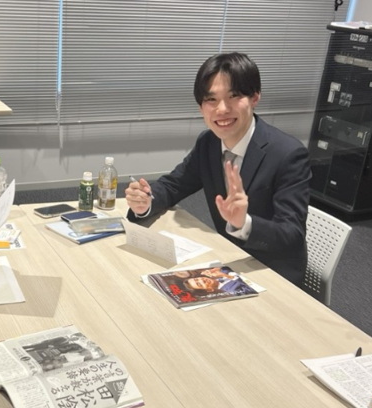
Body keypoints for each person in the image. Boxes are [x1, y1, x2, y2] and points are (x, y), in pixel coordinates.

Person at [125, 52, 311, 285]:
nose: (222, 109)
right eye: (211, 99)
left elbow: (292, 234)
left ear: (254, 97)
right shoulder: (209, 142)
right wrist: (146, 201)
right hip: (228, 259)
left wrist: (245, 223)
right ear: (201, 106)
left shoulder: (288, 154)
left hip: (273, 273)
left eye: (233, 96)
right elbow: (175, 184)